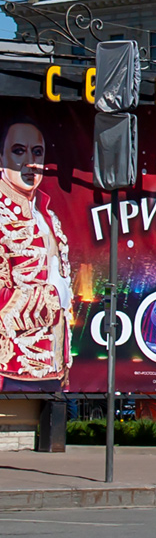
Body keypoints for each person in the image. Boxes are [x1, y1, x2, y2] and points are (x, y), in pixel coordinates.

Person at [0, 119, 71, 392]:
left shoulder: (48, 216)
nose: (30, 162)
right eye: (19, 151)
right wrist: (53, 297)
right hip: (12, 370)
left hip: (54, 369)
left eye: (37, 152)